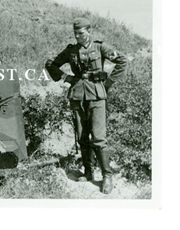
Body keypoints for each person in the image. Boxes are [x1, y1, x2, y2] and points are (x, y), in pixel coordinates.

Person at [45, 17, 127, 194]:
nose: (77, 36)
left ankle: (107, 176)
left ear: (89, 31)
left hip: (97, 96)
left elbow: (122, 61)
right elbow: (51, 64)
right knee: (82, 135)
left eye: (81, 33)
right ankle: (88, 172)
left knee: (98, 137)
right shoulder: (71, 50)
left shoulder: (100, 47)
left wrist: (108, 83)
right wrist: (66, 78)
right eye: (75, 33)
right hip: (77, 95)